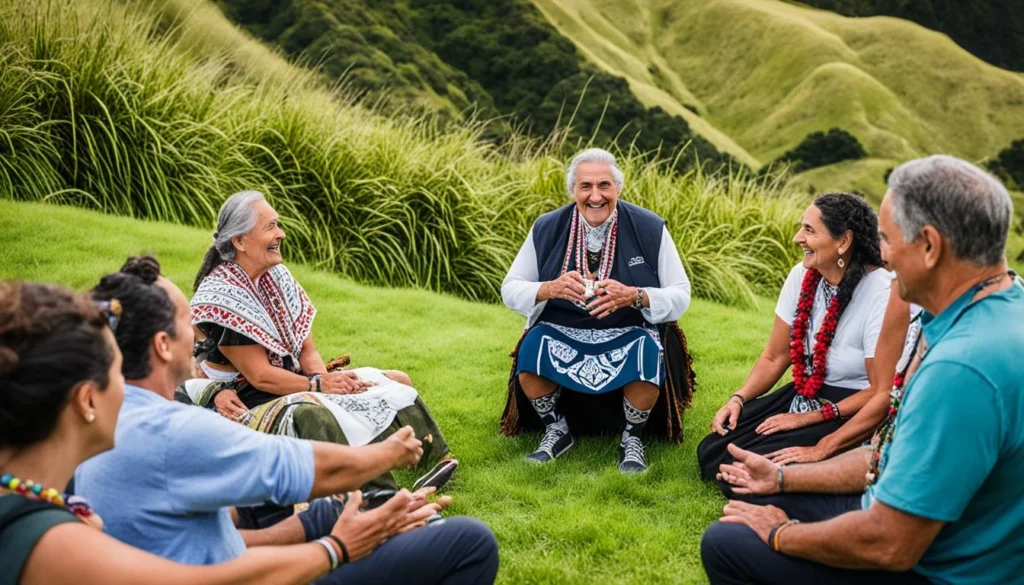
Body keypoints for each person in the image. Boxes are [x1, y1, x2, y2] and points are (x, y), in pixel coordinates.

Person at [700, 155, 1024, 585]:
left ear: (929, 246)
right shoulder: (997, 304)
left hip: (940, 567)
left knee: (725, 542)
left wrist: (780, 534)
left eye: (887, 239)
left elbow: (891, 543)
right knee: (756, 491)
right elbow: (886, 457)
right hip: (928, 522)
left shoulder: (961, 368)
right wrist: (782, 477)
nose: (882, 255)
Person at [74, 258, 499, 584]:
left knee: (322, 509)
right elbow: (307, 468)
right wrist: (391, 454)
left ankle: (377, 515)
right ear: (163, 345)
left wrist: (314, 523)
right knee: (471, 541)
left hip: (194, 561)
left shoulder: (100, 420)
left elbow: (197, 535)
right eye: (188, 324)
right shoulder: (173, 430)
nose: (198, 337)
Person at [0, 281, 430, 585]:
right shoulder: (49, 540)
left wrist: (305, 525)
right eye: (115, 375)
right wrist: (338, 546)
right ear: (85, 400)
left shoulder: (41, 504)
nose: (126, 391)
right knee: (463, 542)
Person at [189, 191, 454, 490]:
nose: (281, 233)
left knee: (396, 381)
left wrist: (327, 382)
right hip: (251, 402)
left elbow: (307, 350)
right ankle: (375, 491)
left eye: (278, 224)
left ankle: (435, 462)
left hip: (293, 383)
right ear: (239, 241)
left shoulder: (278, 277)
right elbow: (261, 377)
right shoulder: (225, 298)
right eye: (270, 227)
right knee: (314, 412)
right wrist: (318, 387)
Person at [500, 148, 696, 474]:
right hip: (562, 329)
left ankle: (632, 437)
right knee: (532, 345)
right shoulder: (547, 227)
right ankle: (556, 428)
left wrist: (635, 296)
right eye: (585, 186)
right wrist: (549, 288)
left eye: (604, 185)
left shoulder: (649, 227)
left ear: (618, 188)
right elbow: (510, 288)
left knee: (646, 350)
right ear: (572, 191)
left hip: (629, 331)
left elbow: (681, 293)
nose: (595, 196)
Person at [696, 192, 903, 489]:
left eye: (809, 230)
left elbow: (880, 392)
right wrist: (738, 398)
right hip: (806, 391)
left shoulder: (880, 291)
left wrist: (818, 440)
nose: (797, 238)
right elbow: (775, 356)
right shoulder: (801, 275)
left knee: (750, 468)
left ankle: (829, 464)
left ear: (844, 241)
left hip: (853, 408)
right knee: (713, 450)